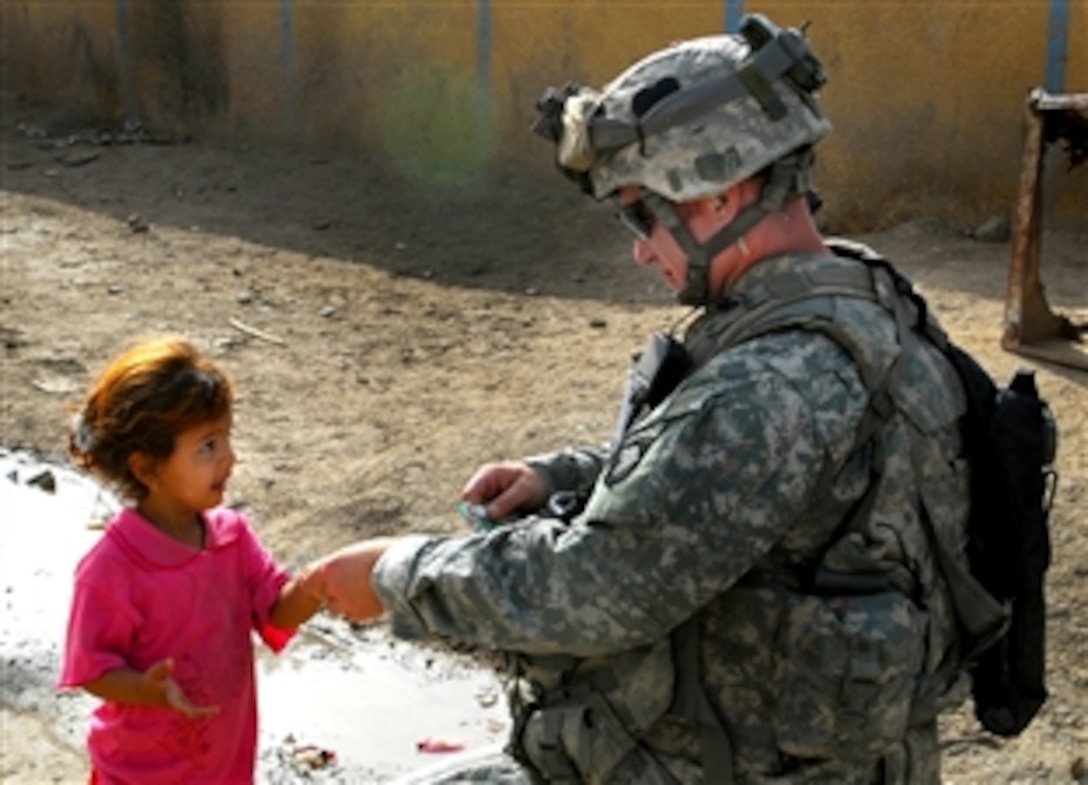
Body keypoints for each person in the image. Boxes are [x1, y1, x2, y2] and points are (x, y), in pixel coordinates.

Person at [308, 15, 982, 784]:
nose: (637, 246)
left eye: (641, 212)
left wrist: (400, 573)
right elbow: (746, 481)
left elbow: (591, 586)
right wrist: (565, 477)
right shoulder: (863, 302)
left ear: (722, 193)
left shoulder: (775, 381)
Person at [58, 336, 324, 785]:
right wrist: (144, 690)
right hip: (138, 771)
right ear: (146, 469)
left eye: (226, 438)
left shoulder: (232, 538)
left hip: (223, 762)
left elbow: (274, 609)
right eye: (207, 446)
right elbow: (92, 669)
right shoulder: (112, 569)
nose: (229, 458)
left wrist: (318, 587)